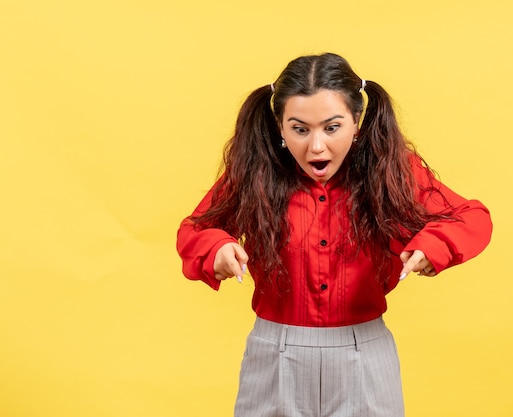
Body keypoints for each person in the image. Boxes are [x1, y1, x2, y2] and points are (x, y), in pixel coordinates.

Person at [176, 52, 492, 417]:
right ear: (280, 127)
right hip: (275, 352)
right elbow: (196, 229)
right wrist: (216, 247)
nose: (316, 146)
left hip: (364, 351)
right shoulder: (256, 173)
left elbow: (471, 217)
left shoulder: (392, 170)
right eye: (299, 129)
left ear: (356, 122)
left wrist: (433, 245)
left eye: (331, 127)